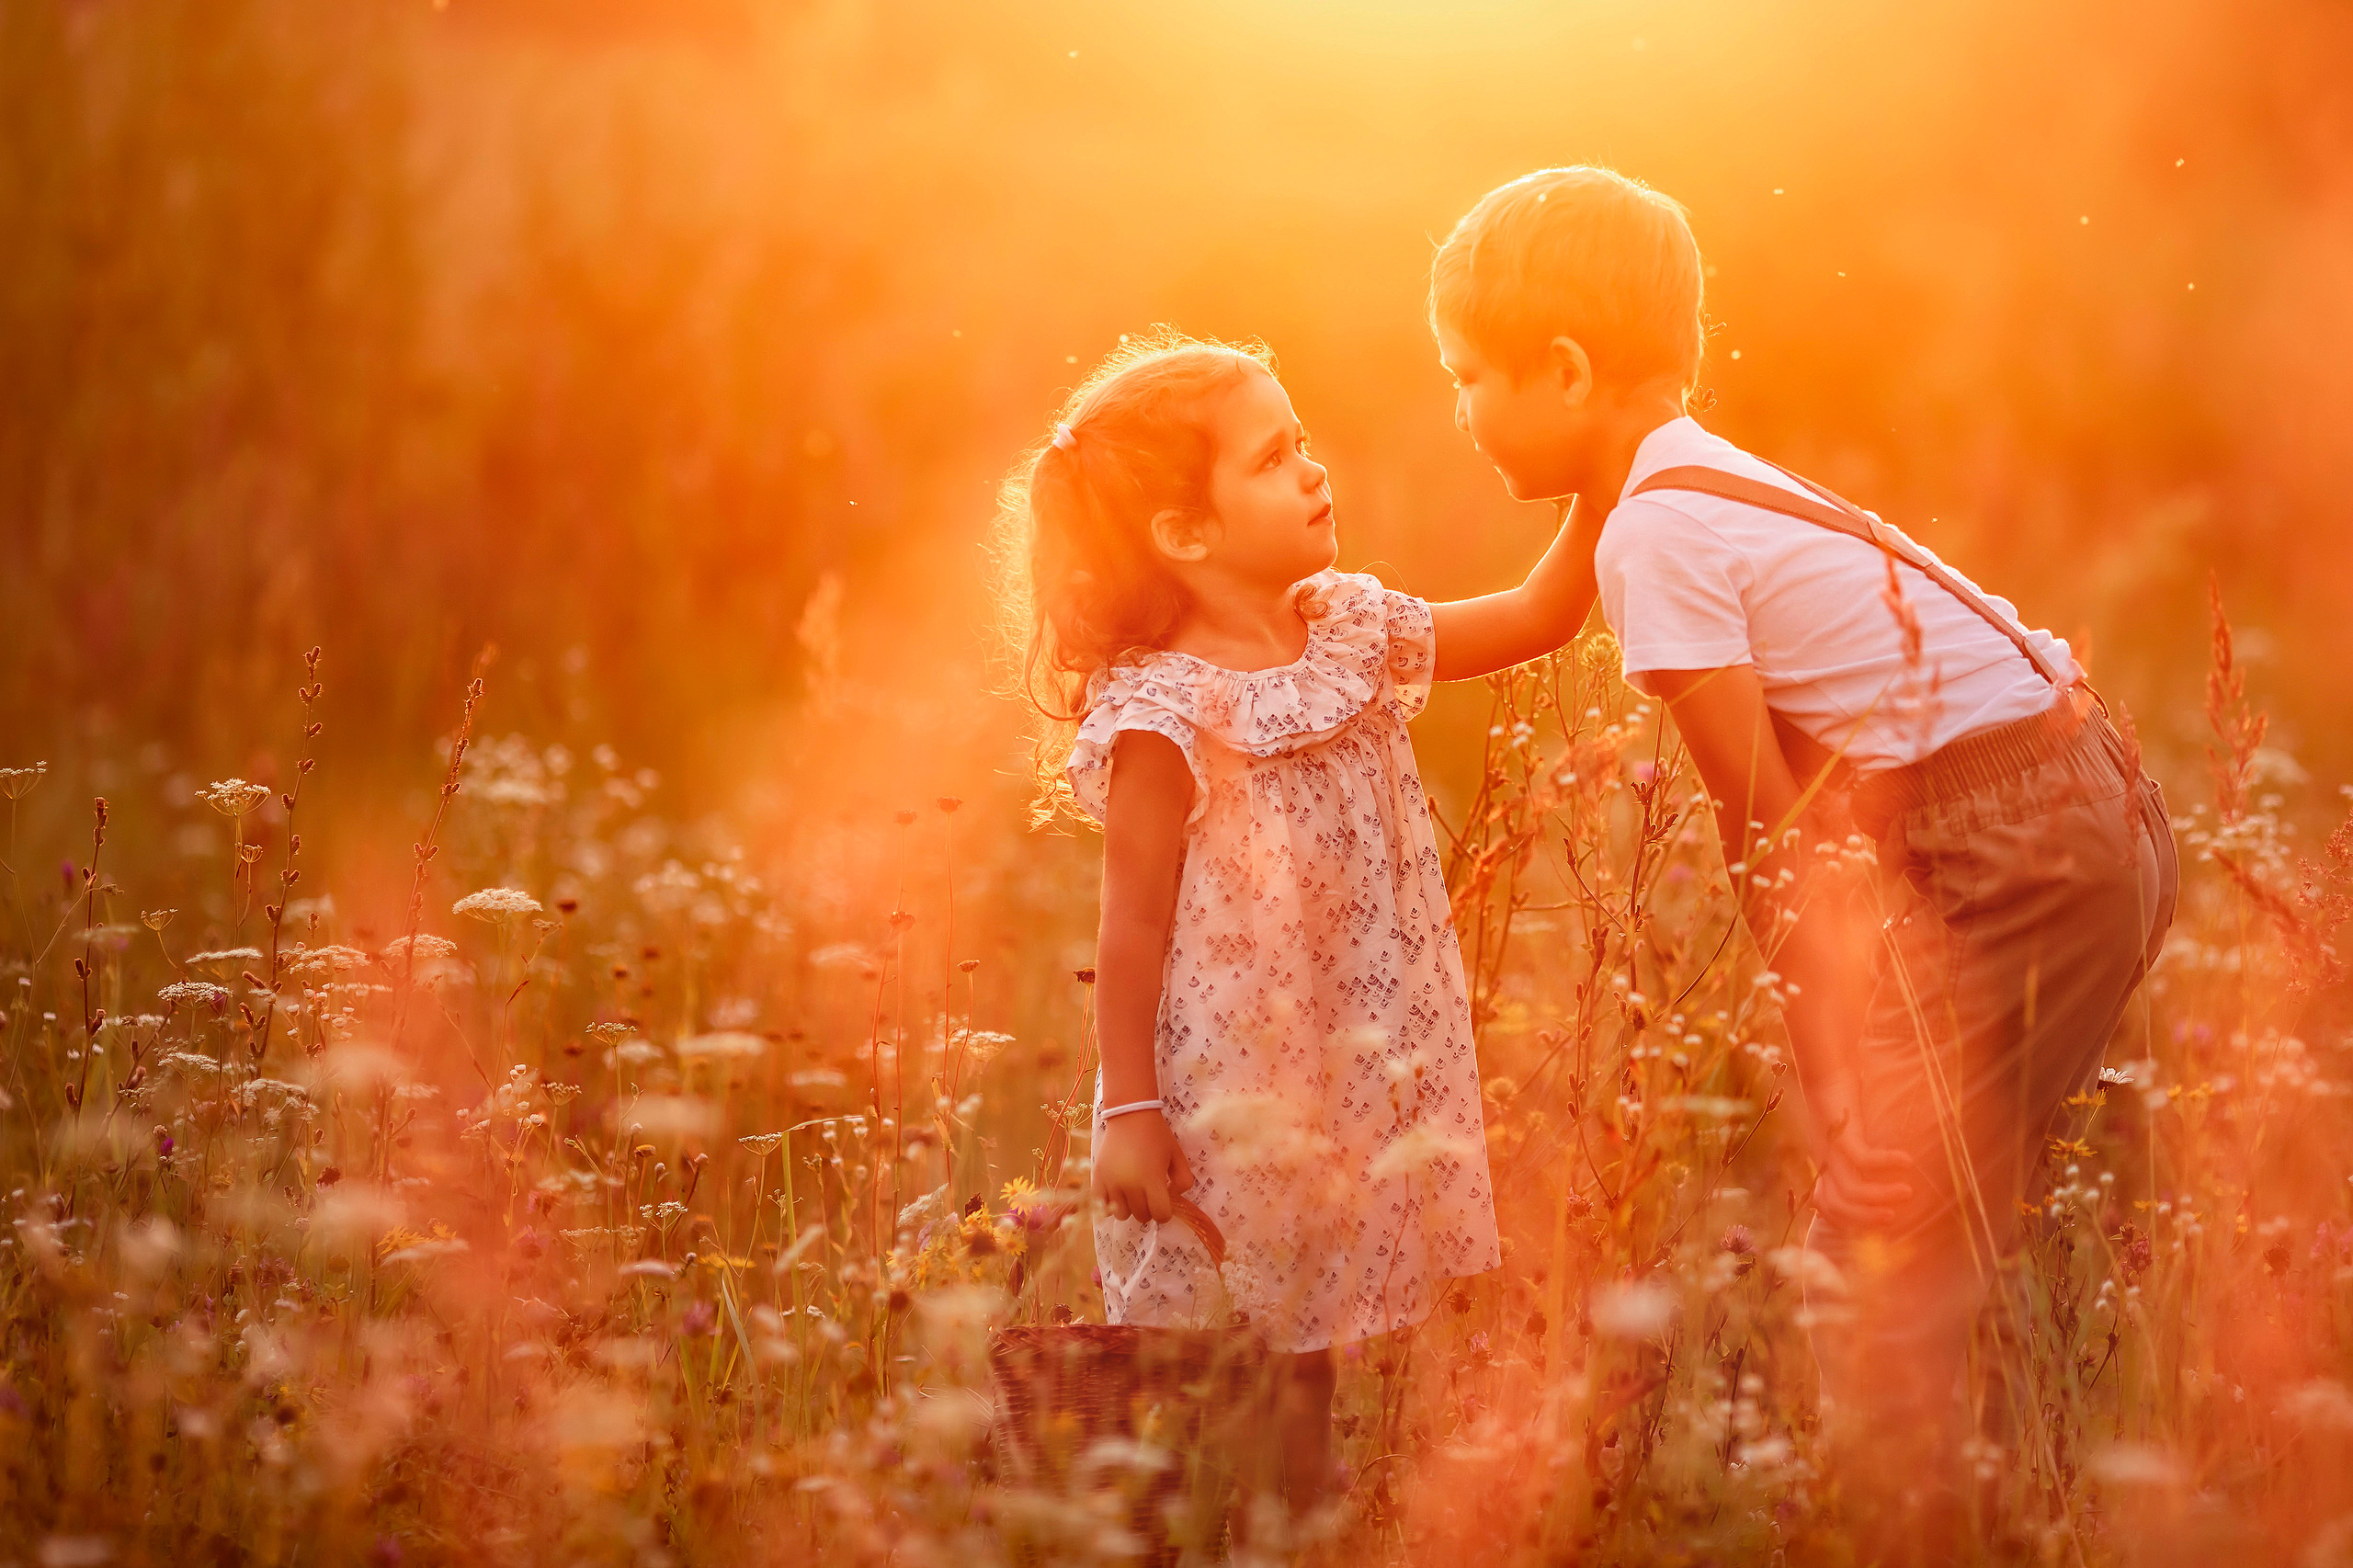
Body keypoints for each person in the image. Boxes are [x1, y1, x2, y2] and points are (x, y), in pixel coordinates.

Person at [1427, 165, 2178, 1550]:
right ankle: (1996, 1501)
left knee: (1880, 1235)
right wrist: (1333, 635)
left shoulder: (1655, 526)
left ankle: (1915, 1526)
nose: (1459, 412)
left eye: (1469, 376)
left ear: (1568, 369)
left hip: (2024, 844)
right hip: (2073, 798)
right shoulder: (1668, 474)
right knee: (1931, 1219)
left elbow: (1770, 834)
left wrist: (1834, 1059)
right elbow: (1537, 616)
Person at [992, 326, 1595, 1525]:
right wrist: (1128, 1111)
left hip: (1341, 1083)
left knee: (1300, 1367)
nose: (1313, 470)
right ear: (1185, 533)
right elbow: (1131, 935)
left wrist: (1608, 463)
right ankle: (1182, 1526)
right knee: (1219, 1371)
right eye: (1273, 458)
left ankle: (1278, 1527)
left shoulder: (1353, 636)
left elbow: (1539, 614)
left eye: (1303, 442)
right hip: (1217, 1105)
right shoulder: (1164, 715)